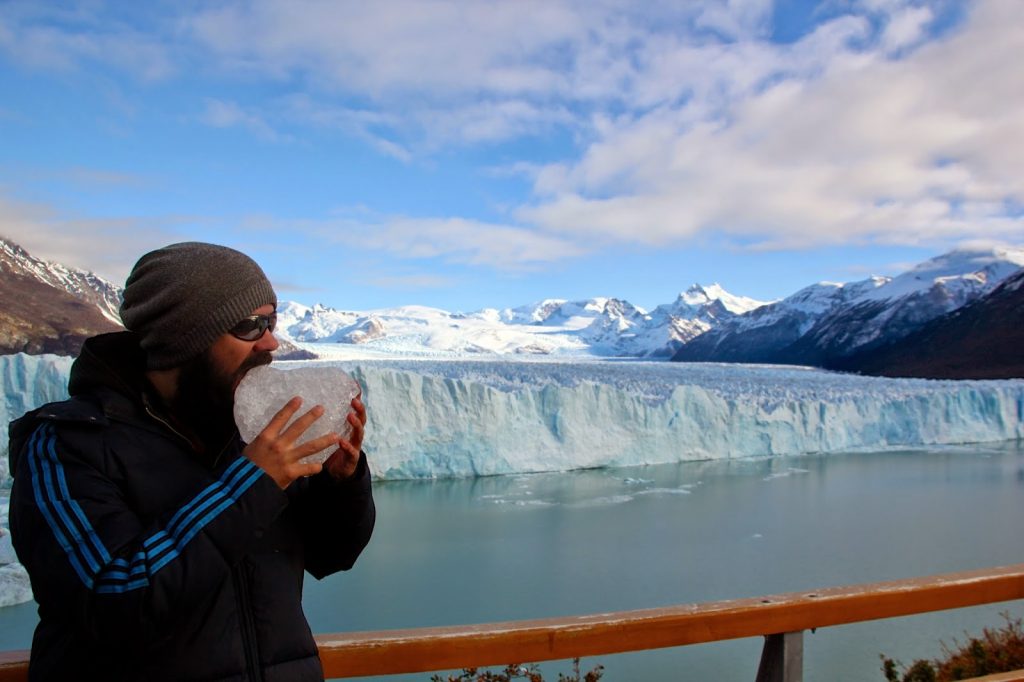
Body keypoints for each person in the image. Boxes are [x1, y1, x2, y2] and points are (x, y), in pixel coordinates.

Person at [7, 242, 375, 681]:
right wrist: (250, 484)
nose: (272, 342)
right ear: (186, 338)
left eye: (272, 322)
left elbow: (331, 554)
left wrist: (341, 483)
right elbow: (110, 600)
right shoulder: (68, 444)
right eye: (250, 326)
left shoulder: (248, 433)